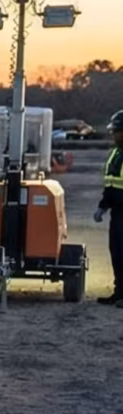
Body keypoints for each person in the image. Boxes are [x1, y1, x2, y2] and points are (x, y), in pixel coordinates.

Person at [95, 110, 123, 304]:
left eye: (116, 131)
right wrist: (103, 207)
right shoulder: (116, 153)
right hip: (118, 212)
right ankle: (119, 292)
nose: (113, 134)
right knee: (118, 252)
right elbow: (111, 183)